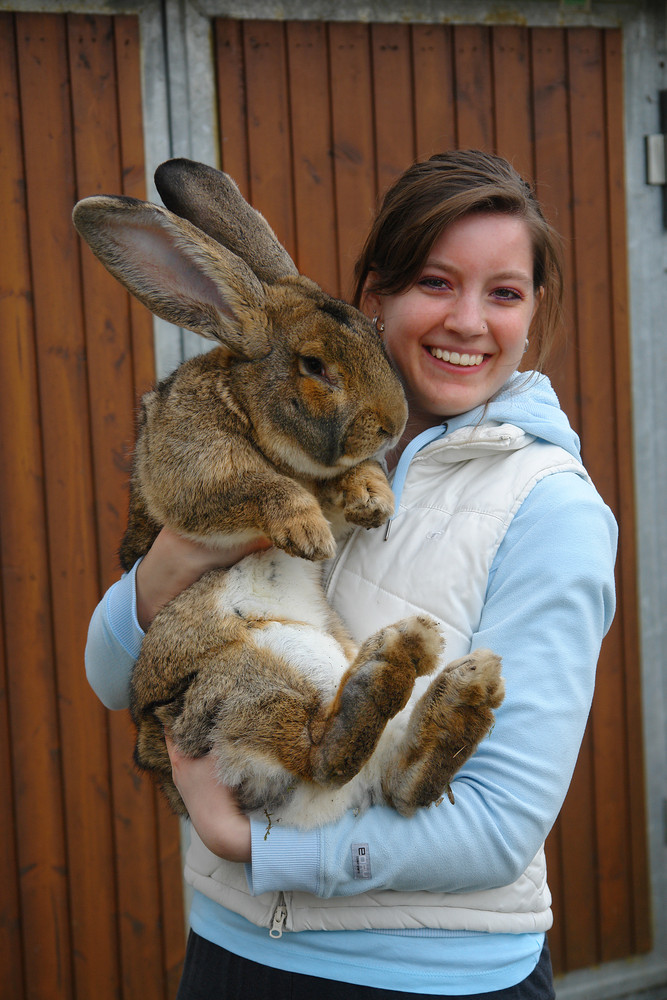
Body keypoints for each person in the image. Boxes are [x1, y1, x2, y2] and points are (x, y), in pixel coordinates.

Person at [85, 149, 617, 999]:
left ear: (532, 311)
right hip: (232, 948)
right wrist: (176, 559)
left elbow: (500, 826)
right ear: (373, 298)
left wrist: (260, 849)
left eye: (503, 292)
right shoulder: (282, 442)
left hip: (429, 975)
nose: (467, 321)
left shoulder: (551, 509)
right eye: (434, 283)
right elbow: (114, 677)